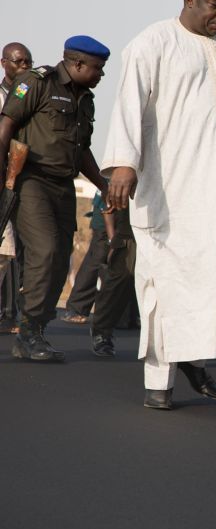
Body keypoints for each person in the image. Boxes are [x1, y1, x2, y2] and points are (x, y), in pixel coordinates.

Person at [103, 0, 216, 410]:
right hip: (170, 191)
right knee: (165, 286)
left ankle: (195, 351)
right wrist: (123, 164)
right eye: (215, 4)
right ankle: (161, 381)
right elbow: (129, 105)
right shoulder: (152, 42)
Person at [0, 35, 110, 361]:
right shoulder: (36, 83)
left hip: (64, 186)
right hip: (31, 179)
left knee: (60, 259)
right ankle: (28, 331)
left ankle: (36, 330)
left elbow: (82, 149)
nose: (101, 75)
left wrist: (103, 184)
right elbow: (5, 128)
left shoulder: (85, 99)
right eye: (97, 68)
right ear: (76, 64)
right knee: (44, 250)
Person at [0, 42, 32, 324]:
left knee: (21, 247)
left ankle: (13, 311)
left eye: (27, 63)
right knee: (6, 245)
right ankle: (7, 313)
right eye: (18, 62)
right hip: (4, 179)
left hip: (26, 179)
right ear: (4, 63)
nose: (24, 67)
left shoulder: (27, 93)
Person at [90, 205, 137, 357]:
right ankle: (101, 331)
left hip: (167, 229)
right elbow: (107, 203)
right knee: (121, 278)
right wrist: (112, 240)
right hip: (130, 232)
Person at [62, 193, 110, 323]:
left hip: (123, 221)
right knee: (97, 260)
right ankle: (77, 308)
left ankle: (126, 316)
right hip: (107, 219)